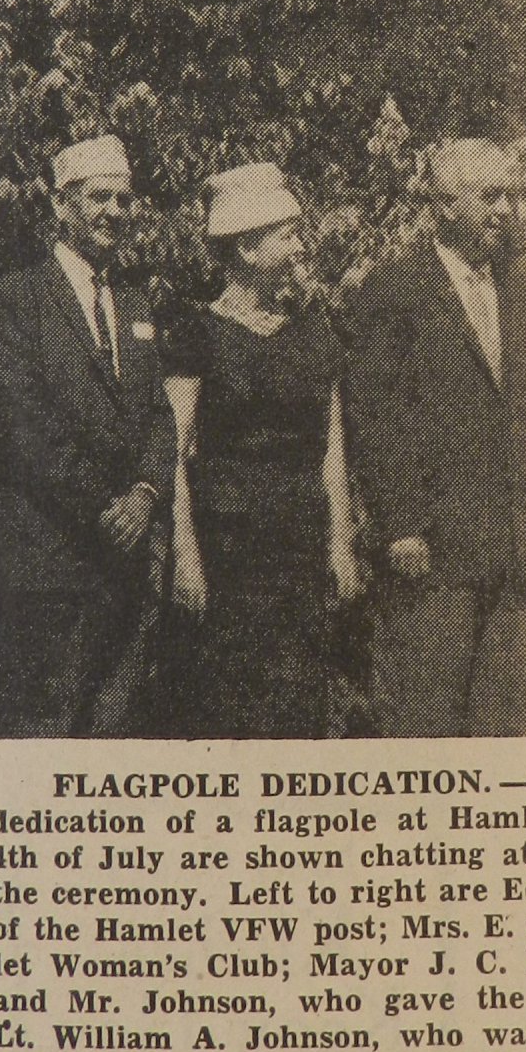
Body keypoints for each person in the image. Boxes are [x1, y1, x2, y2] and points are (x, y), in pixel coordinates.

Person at [346, 137, 526, 736]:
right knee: (427, 720)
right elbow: (376, 414)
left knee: (503, 725)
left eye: (512, 196)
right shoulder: (395, 289)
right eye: (490, 197)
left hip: (515, 545)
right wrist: (400, 522)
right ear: (447, 207)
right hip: (433, 552)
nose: (507, 211)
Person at [0, 134, 175, 736]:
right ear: (62, 207)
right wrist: (104, 505)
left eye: (125, 199)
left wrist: (145, 495)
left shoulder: (135, 302)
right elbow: (22, 426)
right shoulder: (16, 299)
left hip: (125, 570)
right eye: (100, 199)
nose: (116, 212)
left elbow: (159, 417)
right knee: (37, 736)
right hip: (47, 567)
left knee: (109, 738)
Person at [164, 163, 361, 738]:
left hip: (298, 547)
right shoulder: (195, 333)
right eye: (288, 234)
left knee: (298, 708)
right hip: (228, 554)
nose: (303, 246)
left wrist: (341, 545)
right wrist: (187, 558)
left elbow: (332, 452)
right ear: (249, 249)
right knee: (229, 713)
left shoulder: (314, 333)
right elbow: (176, 453)